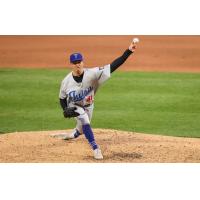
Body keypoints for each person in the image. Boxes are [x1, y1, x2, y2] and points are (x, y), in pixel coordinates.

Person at [58, 39, 138, 160]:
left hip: (89, 105)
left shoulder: (93, 73)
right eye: (75, 62)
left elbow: (113, 66)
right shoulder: (66, 82)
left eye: (79, 61)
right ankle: (96, 148)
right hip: (75, 106)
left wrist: (128, 51)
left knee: (83, 128)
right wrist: (65, 109)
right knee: (84, 119)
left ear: (83, 62)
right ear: (71, 64)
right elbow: (62, 98)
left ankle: (73, 134)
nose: (77, 64)